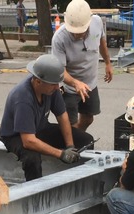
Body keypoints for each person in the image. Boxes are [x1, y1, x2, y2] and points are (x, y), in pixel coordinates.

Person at [0, 54, 94, 214]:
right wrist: (60, 154)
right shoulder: (23, 97)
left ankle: (82, 190)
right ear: (37, 80)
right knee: (32, 159)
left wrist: (70, 146)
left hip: (38, 128)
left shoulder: (51, 88)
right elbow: (28, 141)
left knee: (85, 140)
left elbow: (62, 116)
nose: (57, 87)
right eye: (53, 84)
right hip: (16, 136)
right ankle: (38, 209)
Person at [51, 0, 113, 131]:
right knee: (70, 124)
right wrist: (75, 83)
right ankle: (71, 145)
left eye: (80, 31)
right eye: (73, 31)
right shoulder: (59, 38)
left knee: (88, 118)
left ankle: (77, 138)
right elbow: (60, 71)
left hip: (90, 84)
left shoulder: (96, 22)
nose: (76, 34)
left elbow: (102, 43)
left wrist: (108, 63)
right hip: (69, 88)